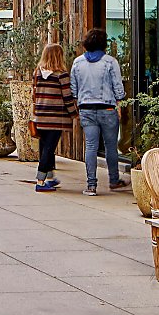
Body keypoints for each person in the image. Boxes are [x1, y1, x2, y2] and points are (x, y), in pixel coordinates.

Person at [70, 28, 129, 195]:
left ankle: (91, 185)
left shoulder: (78, 62)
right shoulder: (110, 62)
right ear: (104, 44)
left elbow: (74, 89)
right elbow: (118, 87)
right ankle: (114, 180)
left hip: (86, 109)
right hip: (107, 107)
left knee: (91, 146)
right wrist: (120, 101)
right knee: (111, 146)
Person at [30, 43, 78, 192]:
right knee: (49, 149)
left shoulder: (37, 72)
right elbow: (67, 97)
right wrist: (74, 114)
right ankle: (40, 181)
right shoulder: (61, 75)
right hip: (56, 118)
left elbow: (34, 94)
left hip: (41, 117)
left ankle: (49, 178)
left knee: (45, 148)